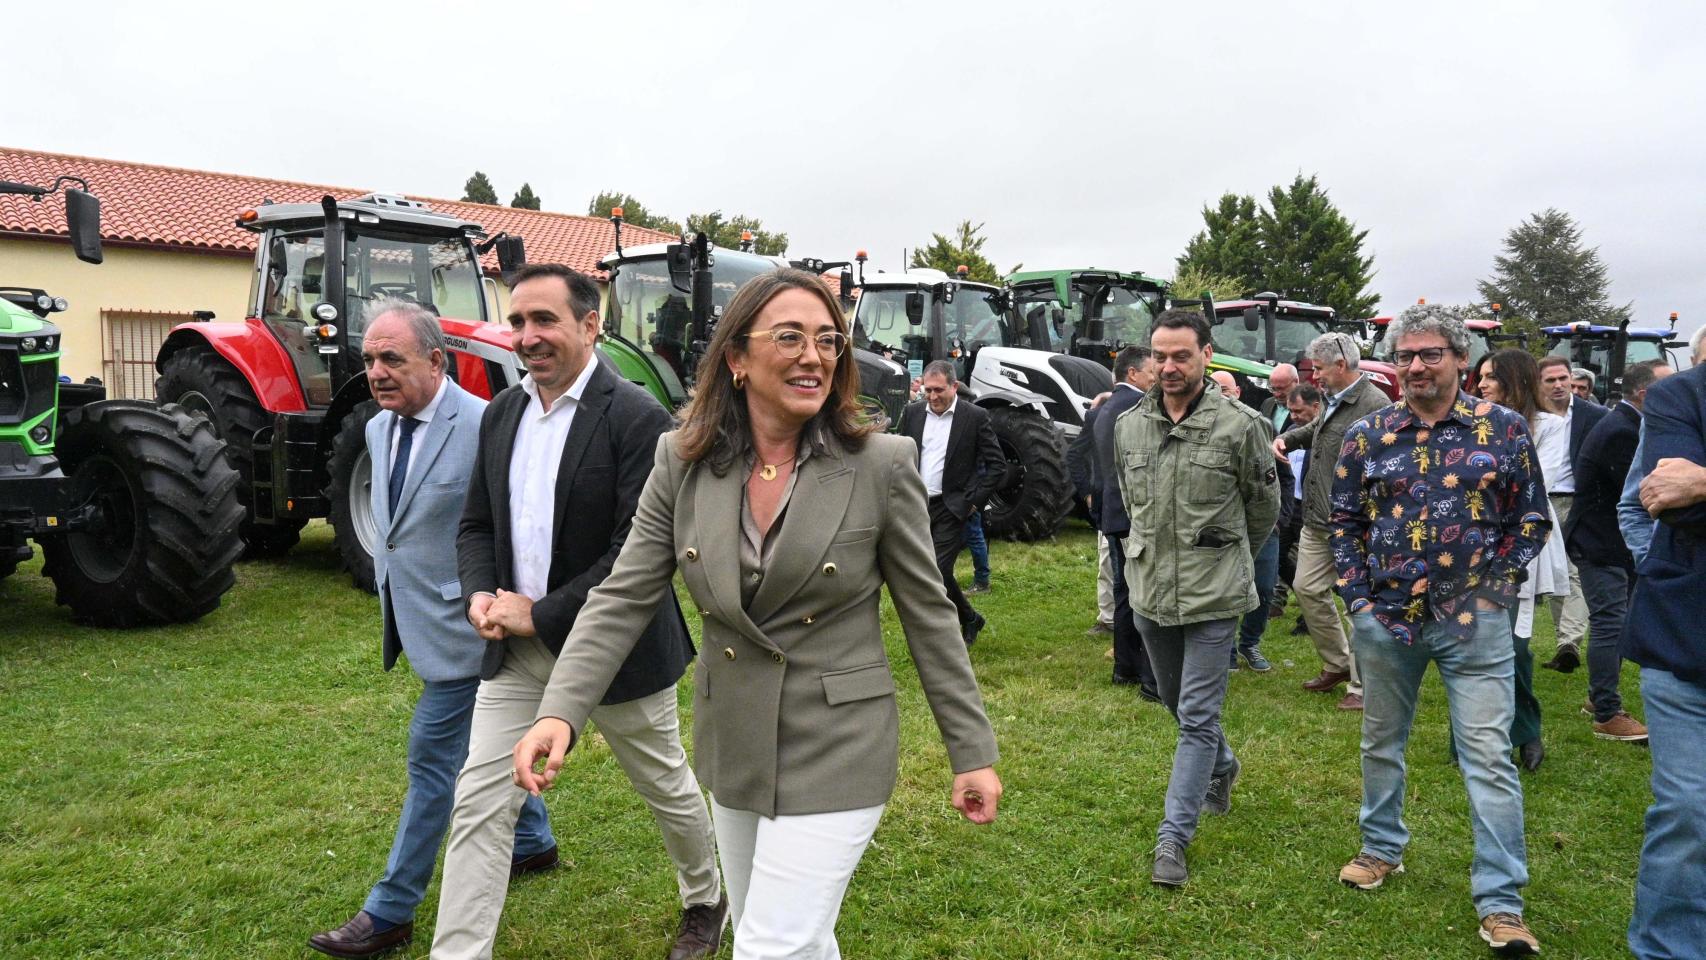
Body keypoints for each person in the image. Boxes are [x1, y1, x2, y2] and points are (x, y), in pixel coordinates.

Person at [509, 269, 1002, 959]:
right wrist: (560, 710)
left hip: (840, 742)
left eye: (828, 339)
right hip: (735, 738)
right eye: (791, 337)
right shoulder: (682, 462)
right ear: (737, 359)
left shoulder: (882, 465)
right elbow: (622, 596)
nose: (814, 355)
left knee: (771, 945)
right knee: (784, 937)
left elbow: (929, 616)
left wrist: (971, 752)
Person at [435, 264, 723, 960]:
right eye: (518, 323)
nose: (528, 337)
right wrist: (480, 591)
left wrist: (542, 613)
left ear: (590, 325)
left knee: (664, 784)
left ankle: (706, 896)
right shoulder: (502, 413)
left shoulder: (637, 419)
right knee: (478, 801)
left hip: (617, 651)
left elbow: (637, 553)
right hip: (519, 653)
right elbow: (477, 525)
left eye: (545, 321)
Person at [305, 302, 555, 960]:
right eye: (369, 360)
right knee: (483, 746)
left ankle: (391, 910)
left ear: (437, 361)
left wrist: (509, 604)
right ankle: (533, 841)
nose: (377, 373)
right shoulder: (381, 427)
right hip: (417, 620)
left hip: (473, 629)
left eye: (393, 359)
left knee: (432, 763)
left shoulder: (485, 425)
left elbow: (518, 526)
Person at [1330, 304, 1548, 956]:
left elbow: (1530, 520)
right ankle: (1381, 849)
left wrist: (1495, 590)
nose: (1416, 366)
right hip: (1385, 623)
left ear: (1459, 359)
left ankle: (1502, 903)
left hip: (1474, 626)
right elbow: (1342, 523)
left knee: (1487, 758)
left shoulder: (1502, 429)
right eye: (1405, 357)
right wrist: (1359, 602)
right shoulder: (1368, 435)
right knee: (1381, 744)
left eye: (1429, 355)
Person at [1115, 310, 1279, 887]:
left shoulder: (1241, 425)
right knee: (1172, 698)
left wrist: (1224, 560)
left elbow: (1263, 510)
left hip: (1214, 597)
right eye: (1159, 356)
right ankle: (1224, 765)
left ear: (1207, 355)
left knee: (1197, 719)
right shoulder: (1129, 424)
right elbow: (1134, 507)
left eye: (1181, 355)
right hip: (1149, 591)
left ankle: (1172, 840)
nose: (1168, 367)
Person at [1623, 358, 1706, 959]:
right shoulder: (1680, 396)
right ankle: (1667, 948)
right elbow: (1674, 505)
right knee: (1688, 809)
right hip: (1688, 638)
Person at [1274, 332, 1385, 711]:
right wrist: (1287, 439)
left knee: (1359, 603)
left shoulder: (1374, 404)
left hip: (1353, 526)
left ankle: (1363, 686)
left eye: (1319, 369)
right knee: (1305, 589)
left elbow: (1383, 469)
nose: (1315, 377)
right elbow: (1321, 430)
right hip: (1318, 521)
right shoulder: (1334, 400)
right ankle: (1338, 663)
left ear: (1341, 365)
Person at [1565, 360, 1671, 743]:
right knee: (1611, 624)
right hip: (1600, 542)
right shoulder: (1622, 431)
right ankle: (1608, 714)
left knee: (1616, 622)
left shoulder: (1624, 423)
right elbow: (1645, 492)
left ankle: (1599, 698)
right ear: (1645, 393)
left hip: (1605, 540)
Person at [1473, 350, 1568, 772]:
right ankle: (1474, 738)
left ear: (1514, 381)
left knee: (1513, 645)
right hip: (1473, 539)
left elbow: (1531, 482)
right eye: (1480, 377)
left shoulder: (1549, 426)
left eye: (1491, 377)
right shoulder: (1473, 422)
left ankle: (1527, 731)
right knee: (1471, 642)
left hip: (1520, 541)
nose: (1481, 384)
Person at [901, 360, 1006, 645]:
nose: (933, 397)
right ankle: (970, 618)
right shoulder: (911, 414)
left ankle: (939, 632)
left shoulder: (974, 416)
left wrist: (972, 502)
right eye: (927, 390)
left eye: (938, 390)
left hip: (952, 506)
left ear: (954, 386)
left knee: (937, 569)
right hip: (916, 505)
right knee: (922, 571)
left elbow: (997, 465)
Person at [1083, 345, 1159, 697]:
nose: (1156, 377)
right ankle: (1146, 672)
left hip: (1113, 514)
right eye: (1151, 372)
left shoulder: (1105, 407)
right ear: (1132, 374)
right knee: (1140, 593)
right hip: (1132, 514)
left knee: (1125, 591)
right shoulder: (1133, 406)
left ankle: (1125, 668)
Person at [1535, 355, 1606, 672]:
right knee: (1555, 574)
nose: (1559, 385)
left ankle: (1569, 642)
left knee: (1575, 571)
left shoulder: (1594, 416)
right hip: (1543, 500)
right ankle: (1565, 641)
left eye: (1562, 378)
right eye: (1551, 380)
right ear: (1540, 384)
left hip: (1579, 501)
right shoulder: (1530, 416)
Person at [1213, 370, 1282, 673]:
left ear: (1238, 392)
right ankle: (1226, 651)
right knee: (1225, 591)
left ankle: (1250, 643)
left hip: (1266, 526)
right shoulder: (1206, 431)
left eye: (1226, 390)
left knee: (1264, 589)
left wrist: (1281, 519)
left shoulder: (1258, 425)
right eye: (1215, 390)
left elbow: (1280, 477)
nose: (1221, 395)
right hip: (1226, 528)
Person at [1279, 384, 1323, 635]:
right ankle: (1308, 603)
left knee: (1311, 568)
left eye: (1298, 411)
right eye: (1290, 411)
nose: (1293, 416)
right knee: (1276, 558)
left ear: (1316, 407)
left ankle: (1310, 617)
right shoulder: (1293, 432)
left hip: (1312, 508)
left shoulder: (1324, 435)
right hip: (1289, 506)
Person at [1260, 362, 1300, 433]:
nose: (1277, 394)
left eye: (1281, 388)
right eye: (1273, 389)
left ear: (1296, 381)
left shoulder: (1308, 406)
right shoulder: (1267, 404)